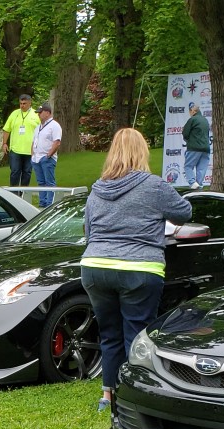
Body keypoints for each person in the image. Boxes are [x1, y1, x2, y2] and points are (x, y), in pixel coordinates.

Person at [81, 128, 192, 412]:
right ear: (142, 152)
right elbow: (185, 212)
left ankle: (108, 396)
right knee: (137, 334)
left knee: (109, 334)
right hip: (139, 268)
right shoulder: (154, 186)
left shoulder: (97, 189)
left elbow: (88, 230)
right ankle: (135, 398)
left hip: (95, 267)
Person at [1, 94, 41, 187]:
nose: (22, 105)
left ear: (30, 103)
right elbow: (7, 129)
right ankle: (14, 193)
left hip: (30, 150)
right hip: (15, 149)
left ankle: (23, 192)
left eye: (24, 103)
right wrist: (4, 143)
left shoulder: (36, 115)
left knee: (27, 172)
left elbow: (41, 131)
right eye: (20, 103)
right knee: (15, 171)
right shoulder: (14, 114)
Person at [31, 102, 61, 207]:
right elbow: (34, 141)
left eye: (40, 112)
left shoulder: (54, 126)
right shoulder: (38, 127)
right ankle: (42, 203)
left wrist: (48, 155)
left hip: (47, 158)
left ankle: (50, 204)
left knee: (49, 182)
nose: (38, 114)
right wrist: (32, 155)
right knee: (41, 182)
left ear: (47, 113)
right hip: (36, 158)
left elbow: (57, 142)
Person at [181, 102, 210, 188]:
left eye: (190, 111)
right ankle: (199, 186)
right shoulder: (205, 120)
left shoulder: (192, 120)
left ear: (193, 111)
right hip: (206, 148)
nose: (189, 113)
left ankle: (192, 183)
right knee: (201, 168)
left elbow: (185, 133)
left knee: (188, 166)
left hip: (194, 147)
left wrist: (188, 140)